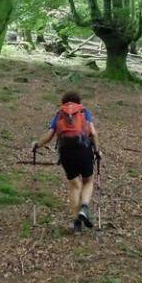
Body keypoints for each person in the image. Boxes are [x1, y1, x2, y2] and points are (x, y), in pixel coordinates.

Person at [32, 91, 102, 233]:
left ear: (64, 102)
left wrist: (36, 145)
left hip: (66, 153)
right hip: (84, 150)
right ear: (78, 101)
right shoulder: (84, 112)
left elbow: (50, 135)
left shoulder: (60, 114)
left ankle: (77, 223)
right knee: (88, 180)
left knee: (74, 185)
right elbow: (93, 133)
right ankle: (84, 207)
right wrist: (97, 150)